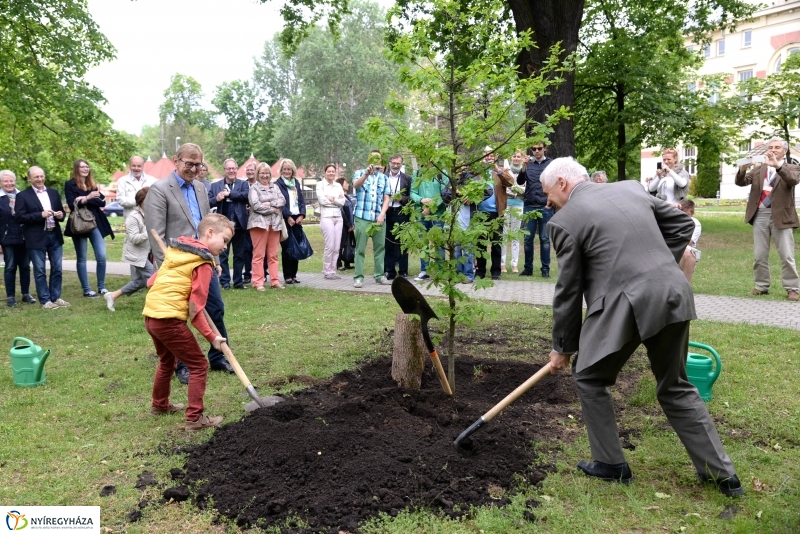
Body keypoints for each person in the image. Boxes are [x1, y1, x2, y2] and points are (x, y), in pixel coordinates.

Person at [542, 156, 743, 497]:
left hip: (627, 305)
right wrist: (658, 265)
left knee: (589, 377)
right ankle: (722, 474)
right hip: (672, 292)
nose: (548, 202)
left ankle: (610, 465)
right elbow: (683, 226)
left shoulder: (564, 222)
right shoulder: (631, 189)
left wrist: (563, 347)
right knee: (675, 385)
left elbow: (568, 292)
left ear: (562, 182)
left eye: (549, 194)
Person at [145, 143, 235, 384]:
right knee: (181, 316)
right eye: (189, 164)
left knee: (215, 308)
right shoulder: (160, 189)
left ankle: (218, 356)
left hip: (203, 262)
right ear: (176, 160)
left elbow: (210, 227)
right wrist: (167, 269)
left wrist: (214, 260)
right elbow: (156, 234)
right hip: (177, 266)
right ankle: (183, 364)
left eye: (198, 165)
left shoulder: (200, 188)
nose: (194, 169)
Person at [143, 213, 233, 431]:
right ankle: (195, 418)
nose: (225, 247)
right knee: (199, 365)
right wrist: (212, 337)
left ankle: (160, 405)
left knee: (167, 361)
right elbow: (195, 309)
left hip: (151, 316)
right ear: (210, 233)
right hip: (169, 320)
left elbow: (151, 281)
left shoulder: (177, 252)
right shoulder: (202, 264)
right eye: (225, 240)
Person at [735, 137, 800, 301]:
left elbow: (792, 180)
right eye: (770, 147)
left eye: (777, 147)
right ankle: (761, 286)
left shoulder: (792, 167)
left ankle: (792, 288)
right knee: (760, 255)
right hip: (760, 215)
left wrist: (777, 166)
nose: (773, 150)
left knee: (786, 255)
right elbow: (741, 182)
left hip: (781, 216)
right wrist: (742, 169)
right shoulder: (759, 168)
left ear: (784, 151)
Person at [14, 166, 69, 309]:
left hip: (54, 235)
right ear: (30, 179)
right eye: (36, 177)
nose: (39, 179)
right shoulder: (23, 196)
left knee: (57, 269)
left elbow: (61, 212)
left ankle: (55, 297)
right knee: (40, 271)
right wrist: (40, 215)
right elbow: (20, 217)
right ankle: (45, 301)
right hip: (36, 237)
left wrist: (61, 215)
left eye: (41, 176)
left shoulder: (53, 193)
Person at [64, 159, 115, 298]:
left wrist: (84, 198)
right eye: (82, 167)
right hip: (79, 223)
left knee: (102, 255)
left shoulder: (91, 184)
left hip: (95, 222)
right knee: (82, 257)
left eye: (87, 166)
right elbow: (71, 204)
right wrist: (87, 198)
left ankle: (101, 287)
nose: (85, 169)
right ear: (76, 169)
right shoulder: (70, 184)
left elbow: (101, 201)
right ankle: (87, 290)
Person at [104, 187, 155, 311]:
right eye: (147, 201)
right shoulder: (133, 217)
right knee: (156, 277)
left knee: (140, 282)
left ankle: (112, 295)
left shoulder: (148, 214)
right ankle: (157, 306)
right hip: (136, 255)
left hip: (145, 253)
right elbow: (134, 238)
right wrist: (150, 232)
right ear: (140, 201)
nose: (150, 203)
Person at [208, 158, 250, 290]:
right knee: (223, 255)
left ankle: (238, 282)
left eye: (233, 168)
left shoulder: (244, 184)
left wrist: (230, 194)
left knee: (239, 255)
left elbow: (246, 196)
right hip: (222, 227)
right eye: (228, 169)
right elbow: (208, 202)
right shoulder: (215, 186)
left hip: (239, 225)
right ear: (224, 170)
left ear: (237, 170)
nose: (231, 171)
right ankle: (225, 282)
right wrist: (217, 198)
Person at [352, 150, 391, 288]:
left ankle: (379, 275)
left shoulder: (384, 178)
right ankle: (358, 277)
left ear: (381, 160)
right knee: (360, 248)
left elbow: (387, 199)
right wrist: (366, 174)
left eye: (378, 158)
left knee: (380, 248)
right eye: (373, 157)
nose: (375, 160)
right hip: (362, 217)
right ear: (369, 158)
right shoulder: (360, 173)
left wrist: (382, 214)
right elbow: (355, 185)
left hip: (378, 218)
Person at [517, 141, 553, 277]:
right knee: (527, 239)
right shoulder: (528, 164)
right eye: (534, 149)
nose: (536, 151)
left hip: (545, 206)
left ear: (545, 149)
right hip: (529, 205)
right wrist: (524, 167)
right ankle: (528, 269)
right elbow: (520, 182)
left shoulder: (551, 164)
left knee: (544, 238)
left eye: (539, 148)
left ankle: (545, 270)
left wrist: (550, 201)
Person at [476, 147, 512, 280]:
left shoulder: (502, 170)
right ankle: (480, 271)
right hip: (480, 213)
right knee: (480, 244)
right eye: (486, 155)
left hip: (497, 213)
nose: (489, 157)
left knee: (496, 243)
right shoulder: (477, 171)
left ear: (496, 157)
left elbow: (510, 182)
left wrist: (498, 170)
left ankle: (496, 271)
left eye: (492, 155)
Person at [248, 162, 286, 290]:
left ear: (270, 174)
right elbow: (256, 205)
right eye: (262, 173)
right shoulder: (254, 188)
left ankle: (275, 281)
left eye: (267, 173)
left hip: (274, 224)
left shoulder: (275, 187)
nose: (265, 175)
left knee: (273, 255)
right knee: (259, 255)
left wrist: (268, 203)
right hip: (258, 225)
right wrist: (273, 209)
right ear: (258, 174)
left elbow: (282, 201)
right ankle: (258, 282)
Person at [0, 170, 35, 307]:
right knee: (10, 267)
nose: (9, 183)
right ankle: (10, 297)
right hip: (7, 237)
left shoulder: (23, 196)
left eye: (11, 180)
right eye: (5, 181)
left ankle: (26, 294)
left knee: (25, 266)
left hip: (24, 236)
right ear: (1, 183)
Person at [410, 165, 449, 280]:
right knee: (423, 243)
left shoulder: (441, 172)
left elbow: (445, 193)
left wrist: (431, 207)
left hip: (438, 214)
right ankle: (424, 271)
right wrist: (421, 200)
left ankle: (440, 271)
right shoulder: (417, 173)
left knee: (439, 243)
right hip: (421, 213)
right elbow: (412, 192)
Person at [275, 159, 307, 285]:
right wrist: (288, 216)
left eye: (289, 169)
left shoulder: (296, 183)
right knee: (288, 248)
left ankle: (294, 275)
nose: (287, 171)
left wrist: (302, 215)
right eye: (284, 169)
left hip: (297, 220)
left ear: (292, 170)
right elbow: (279, 203)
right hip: (285, 220)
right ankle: (287, 276)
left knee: (296, 247)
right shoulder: (277, 184)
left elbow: (302, 201)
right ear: (281, 171)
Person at [383, 154, 413, 280]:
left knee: (403, 243)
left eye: (398, 164)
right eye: (393, 163)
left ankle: (403, 271)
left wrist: (401, 199)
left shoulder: (407, 178)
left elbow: (412, 197)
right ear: (389, 162)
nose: (395, 165)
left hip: (401, 212)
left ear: (401, 164)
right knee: (388, 243)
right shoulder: (383, 177)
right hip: (387, 212)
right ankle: (389, 271)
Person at [316, 164, 346, 280]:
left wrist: (332, 199)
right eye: (329, 171)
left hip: (338, 217)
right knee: (330, 245)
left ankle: (333, 270)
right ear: (325, 172)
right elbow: (322, 200)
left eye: (333, 171)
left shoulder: (338, 185)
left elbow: (342, 201)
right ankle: (327, 270)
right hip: (327, 216)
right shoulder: (320, 185)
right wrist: (335, 200)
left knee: (337, 246)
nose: (331, 173)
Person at [500, 150, 526, 273]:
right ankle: (502, 263)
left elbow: (526, 188)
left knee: (515, 234)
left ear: (522, 158)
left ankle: (514, 264)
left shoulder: (525, 170)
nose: (516, 158)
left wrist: (519, 189)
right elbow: (503, 185)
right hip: (507, 202)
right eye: (514, 156)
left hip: (519, 203)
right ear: (511, 157)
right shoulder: (506, 169)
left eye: (518, 157)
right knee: (504, 234)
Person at [116, 156, 156, 220]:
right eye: (133, 166)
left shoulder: (152, 180)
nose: (136, 168)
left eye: (139, 166)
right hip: (131, 218)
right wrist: (139, 201)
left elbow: (156, 198)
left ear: (143, 166)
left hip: (149, 218)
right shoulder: (122, 181)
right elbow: (120, 199)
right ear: (130, 166)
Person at [242, 161, 258, 285]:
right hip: (246, 221)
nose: (250, 172)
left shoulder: (260, 185)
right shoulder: (242, 185)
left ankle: (261, 272)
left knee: (259, 248)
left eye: (252, 170)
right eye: (248, 170)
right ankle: (248, 273)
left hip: (258, 220)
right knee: (247, 248)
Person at [678, 199, 701, 283]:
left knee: (687, 254)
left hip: (686, 250)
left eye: (686, 215)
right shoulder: (672, 221)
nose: (683, 217)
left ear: (692, 213)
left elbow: (688, 242)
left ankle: (685, 287)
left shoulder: (695, 224)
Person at [336, 177, 356, 271]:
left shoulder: (346, 196)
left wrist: (352, 224)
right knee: (341, 244)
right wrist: (348, 225)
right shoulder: (338, 197)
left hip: (350, 225)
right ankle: (338, 264)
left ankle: (347, 262)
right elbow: (342, 212)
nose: (347, 184)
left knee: (348, 243)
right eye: (345, 183)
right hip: (343, 224)